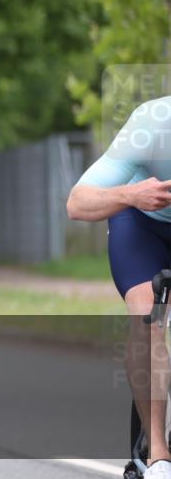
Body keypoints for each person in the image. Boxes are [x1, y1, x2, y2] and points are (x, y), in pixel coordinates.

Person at [67, 95, 171, 479]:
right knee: (150, 315)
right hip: (141, 223)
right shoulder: (151, 124)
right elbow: (77, 203)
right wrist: (131, 194)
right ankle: (159, 455)